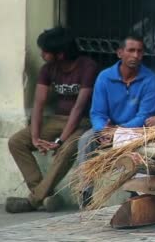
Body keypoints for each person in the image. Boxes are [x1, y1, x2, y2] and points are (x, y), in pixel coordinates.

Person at [6, 27, 97, 213]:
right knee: (16, 142)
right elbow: (39, 103)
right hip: (55, 119)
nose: (42, 54)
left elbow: (79, 108)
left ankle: (33, 200)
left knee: (68, 148)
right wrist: (34, 137)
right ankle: (47, 196)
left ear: (61, 54)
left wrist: (60, 140)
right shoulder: (48, 69)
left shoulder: (87, 67)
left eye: (45, 51)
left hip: (82, 122)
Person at [77, 34, 155, 207]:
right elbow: (97, 112)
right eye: (131, 50)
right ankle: (86, 192)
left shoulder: (150, 79)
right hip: (108, 130)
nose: (135, 55)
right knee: (86, 139)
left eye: (139, 51)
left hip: (136, 130)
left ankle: (135, 192)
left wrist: (118, 131)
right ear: (120, 53)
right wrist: (102, 129)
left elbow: (145, 115)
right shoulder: (105, 77)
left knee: (143, 145)